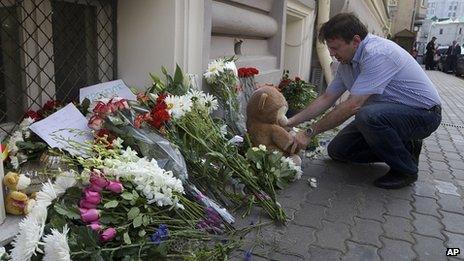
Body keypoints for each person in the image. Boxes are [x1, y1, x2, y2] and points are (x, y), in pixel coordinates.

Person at [285, 13, 442, 189]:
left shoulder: (378, 54)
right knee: (338, 151)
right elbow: (326, 98)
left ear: (356, 41)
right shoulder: (346, 63)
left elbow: (353, 105)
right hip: (388, 115)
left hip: (424, 115)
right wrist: (289, 122)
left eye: (335, 48)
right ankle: (403, 147)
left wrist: (308, 133)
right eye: (329, 48)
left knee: (366, 116)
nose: (331, 54)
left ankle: (406, 170)